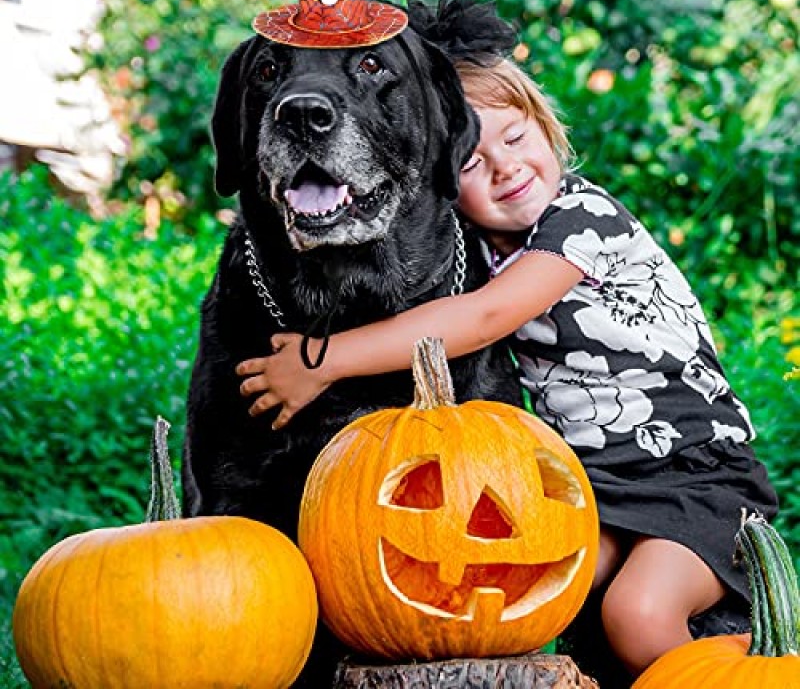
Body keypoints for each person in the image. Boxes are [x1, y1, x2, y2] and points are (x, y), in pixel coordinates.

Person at [236, 55, 778, 677]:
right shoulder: (482, 247)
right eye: (472, 162)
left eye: (518, 138)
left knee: (638, 614)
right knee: (520, 588)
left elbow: (483, 318)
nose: (507, 167)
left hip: (693, 476)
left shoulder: (582, 220)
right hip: (604, 491)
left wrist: (323, 360)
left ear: (547, 128)